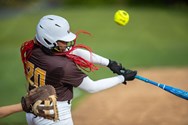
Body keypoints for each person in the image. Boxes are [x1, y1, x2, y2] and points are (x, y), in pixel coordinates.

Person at [0, 15, 137, 125]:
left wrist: (110, 63)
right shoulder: (63, 66)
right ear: (48, 40)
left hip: (31, 113)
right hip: (55, 116)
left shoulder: (32, 49)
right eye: (62, 40)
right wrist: (122, 78)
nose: (66, 43)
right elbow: (92, 88)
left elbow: (73, 51)